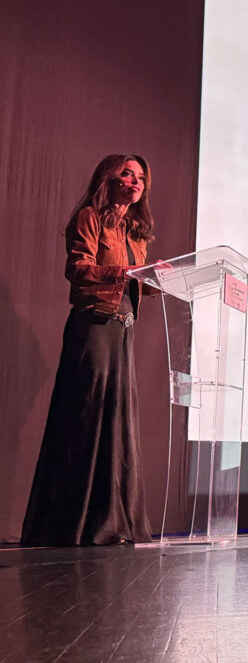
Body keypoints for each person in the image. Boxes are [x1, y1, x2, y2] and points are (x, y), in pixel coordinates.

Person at [21, 155, 156, 546]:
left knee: (117, 420)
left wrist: (156, 280)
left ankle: (117, 518)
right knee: (89, 415)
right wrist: (127, 274)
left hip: (123, 329)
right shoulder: (89, 217)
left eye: (141, 177)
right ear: (109, 179)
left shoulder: (136, 232)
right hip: (94, 325)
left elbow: (135, 284)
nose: (135, 182)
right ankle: (76, 522)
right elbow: (78, 268)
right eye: (127, 174)